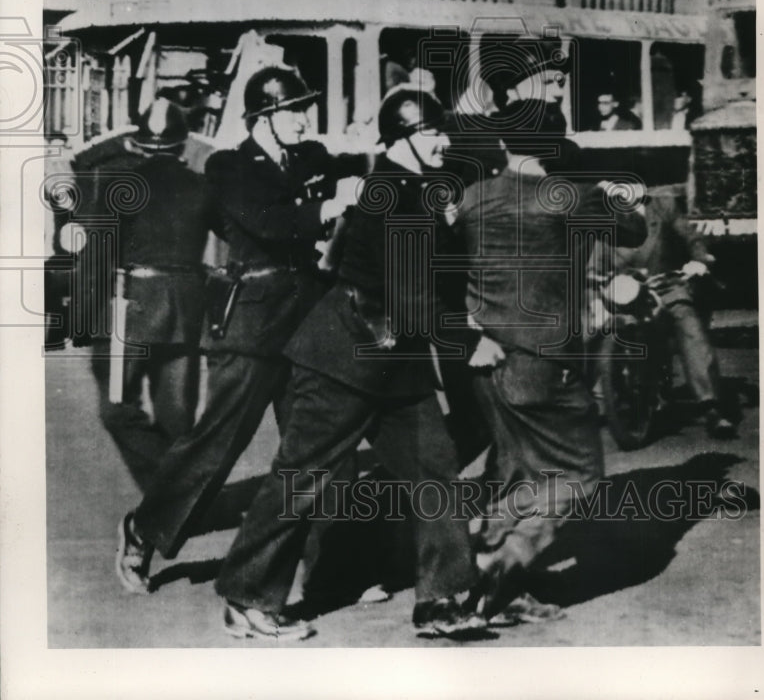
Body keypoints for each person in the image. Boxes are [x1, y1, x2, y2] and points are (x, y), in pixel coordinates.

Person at [212, 88, 486, 641]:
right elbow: (413, 292)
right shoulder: (391, 192)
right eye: (432, 133)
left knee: (436, 468)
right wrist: (467, 342)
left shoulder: (419, 189)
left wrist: (452, 225)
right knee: (302, 476)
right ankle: (246, 597)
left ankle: (441, 599)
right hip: (344, 356)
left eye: (442, 131)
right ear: (402, 139)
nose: (445, 142)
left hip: (395, 362)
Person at [115, 67, 359, 593]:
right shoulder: (229, 167)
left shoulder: (313, 157)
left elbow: (351, 176)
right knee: (215, 447)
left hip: (309, 325)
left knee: (317, 450)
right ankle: (143, 530)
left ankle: (321, 565)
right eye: (293, 110)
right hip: (252, 324)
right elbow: (269, 222)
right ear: (263, 119)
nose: (304, 119)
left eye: (305, 109)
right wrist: (327, 206)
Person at [455, 99, 648, 619]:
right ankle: (507, 557)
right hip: (545, 362)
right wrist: (615, 195)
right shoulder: (568, 196)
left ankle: (496, 568)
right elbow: (634, 231)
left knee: (518, 472)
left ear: (504, 142)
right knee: (579, 475)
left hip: (484, 358)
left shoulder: (472, 198)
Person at [73, 99, 214, 488]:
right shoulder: (202, 188)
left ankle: (171, 494)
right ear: (181, 144)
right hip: (185, 311)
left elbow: (98, 257)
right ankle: (177, 495)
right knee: (178, 418)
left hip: (129, 311)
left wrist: (82, 317)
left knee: (117, 410)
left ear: (136, 144)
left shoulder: (121, 187)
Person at [613, 184, 736, 438]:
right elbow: (594, 255)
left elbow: (691, 237)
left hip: (666, 285)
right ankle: (607, 394)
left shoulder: (662, 206)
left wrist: (699, 260)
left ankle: (710, 406)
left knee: (688, 324)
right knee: (598, 327)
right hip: (625, 290)